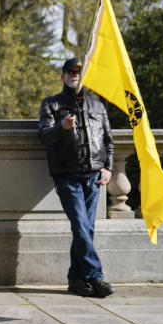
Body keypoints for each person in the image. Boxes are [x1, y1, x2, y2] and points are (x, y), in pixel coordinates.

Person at [37, 57, 115, 299]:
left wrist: (108, 167)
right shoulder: (51, 104)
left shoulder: (98, 106)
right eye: (70, 71)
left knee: (86, 230)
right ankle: (95, 275)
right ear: (62, 76)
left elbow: (108, 142)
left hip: (93, 175)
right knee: (81, 227)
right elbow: (43, 136)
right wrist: (61, 126)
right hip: (67, 176)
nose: (75, 75)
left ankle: (76, 279)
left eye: (79, 72)